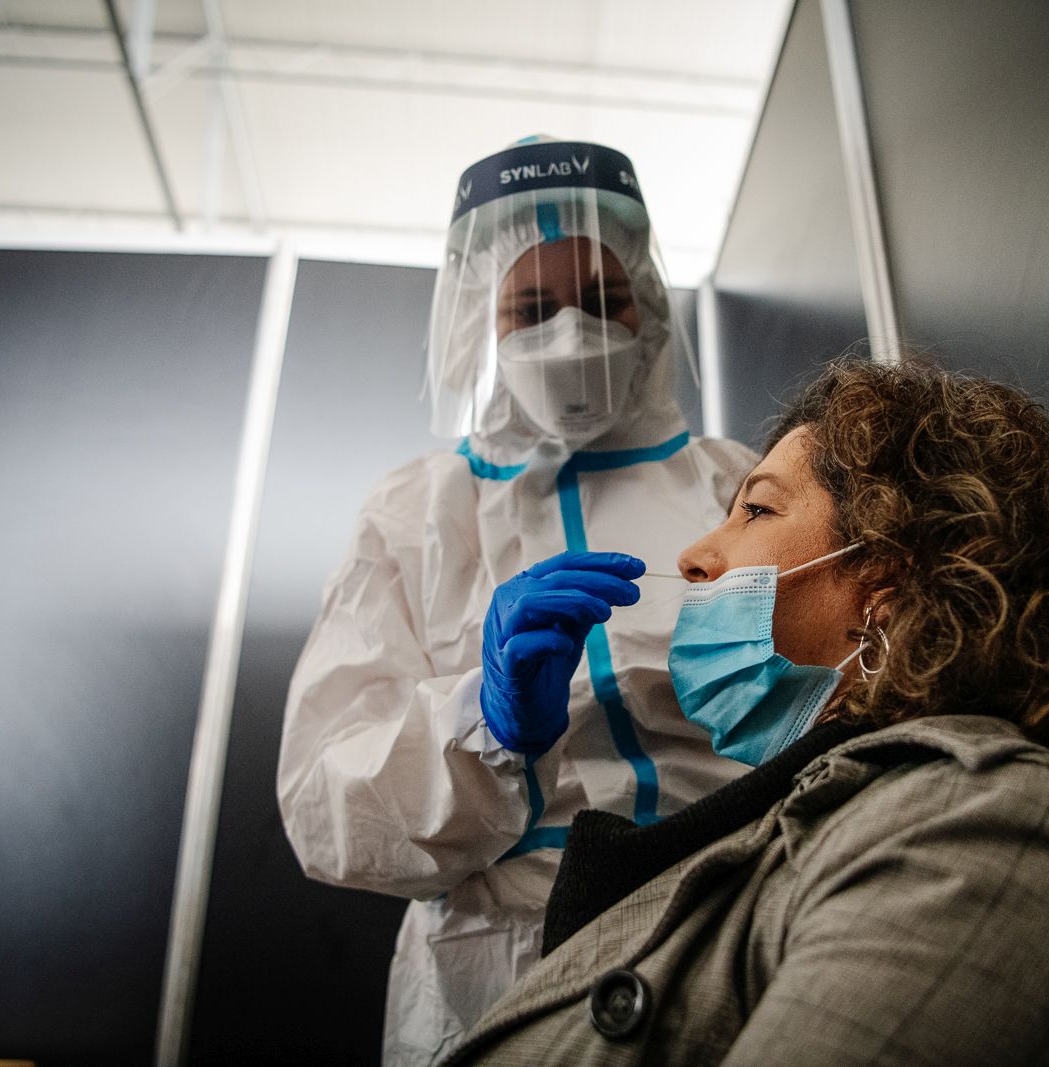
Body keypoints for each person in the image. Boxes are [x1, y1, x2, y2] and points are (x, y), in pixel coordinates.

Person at [442, 357, 1049, 1065]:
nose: (695, 555)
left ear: (887, 590)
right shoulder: (832, 825)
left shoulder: (979, 823)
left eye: (756, 510)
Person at [276, 137, 757, 1065]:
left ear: (648, 308)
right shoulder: (416, 511)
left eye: (601, 302)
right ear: (477, 326)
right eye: (531, 308)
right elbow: (323, 807)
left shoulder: (738, 484)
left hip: (728, 919)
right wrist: (485, 724)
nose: (572, 336)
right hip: (494, 969)